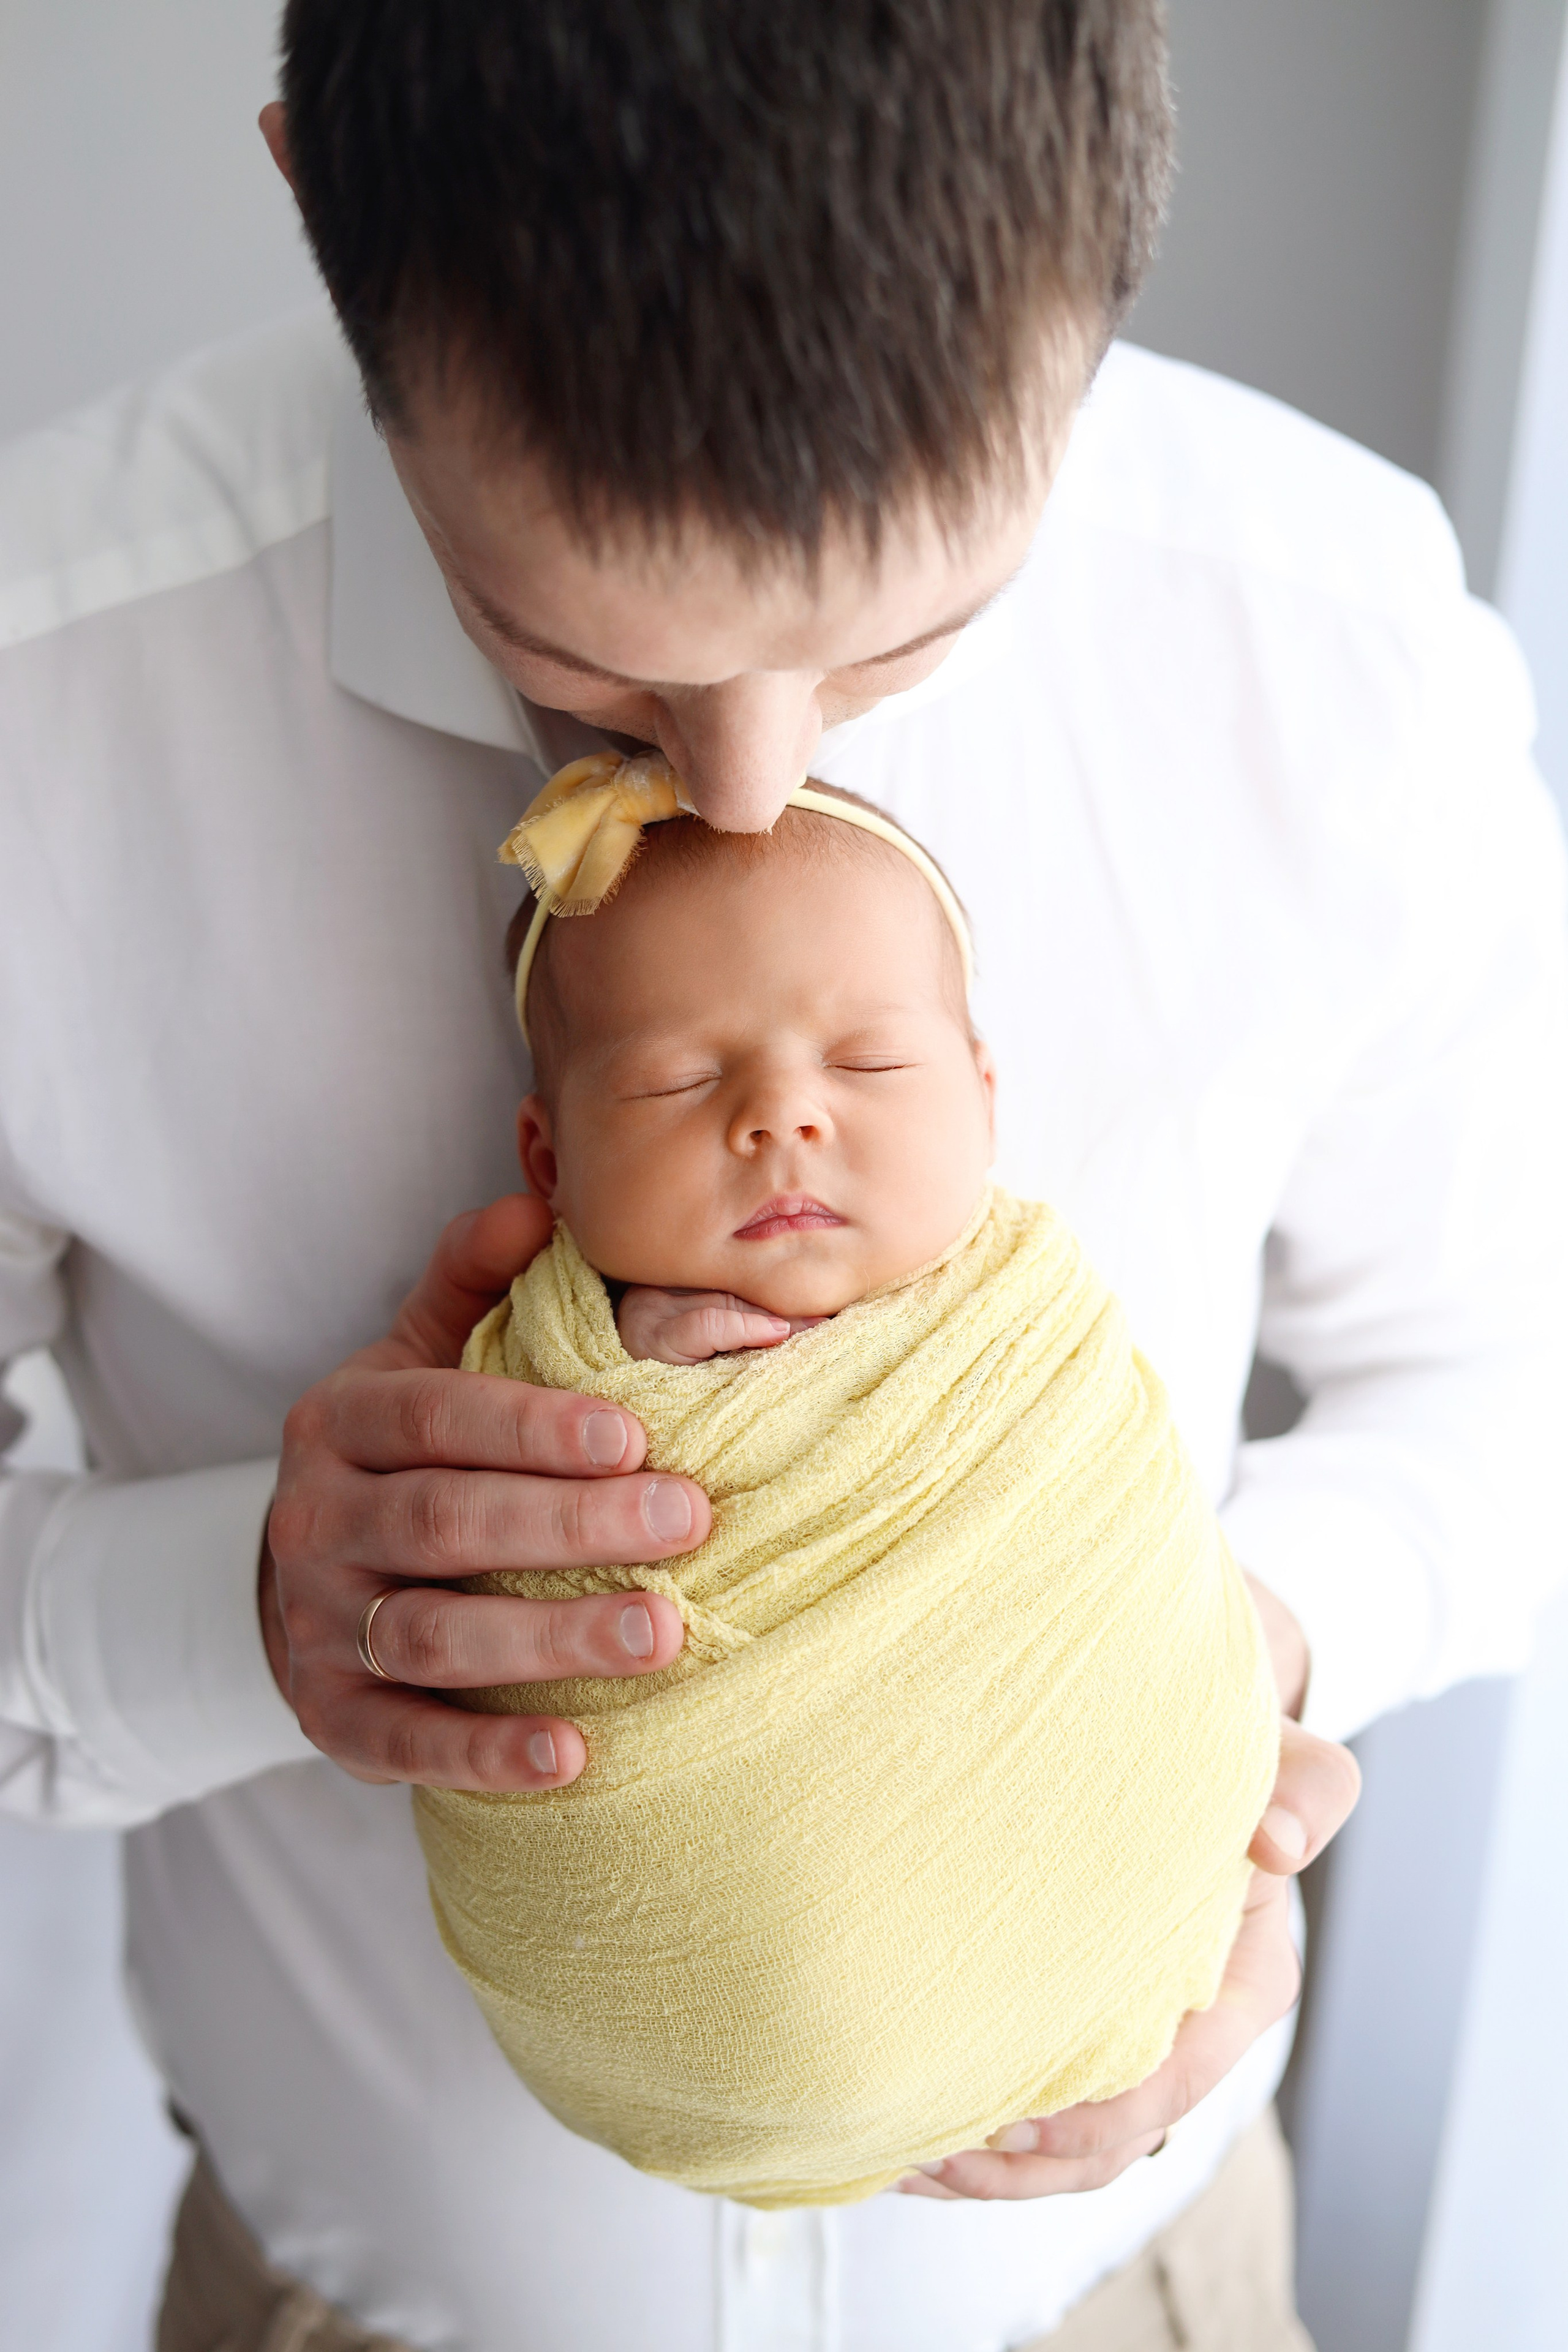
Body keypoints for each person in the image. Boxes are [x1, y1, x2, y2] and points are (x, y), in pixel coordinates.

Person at [0, 2, 1560, 2347]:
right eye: (575, 651)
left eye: (909, 634)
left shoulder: (1335, 654)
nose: (746, 790)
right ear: (324, 200)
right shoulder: (43, 709)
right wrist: (234, 1611)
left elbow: (1508, 1380)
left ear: (1117, 231)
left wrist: (1207, 1689)